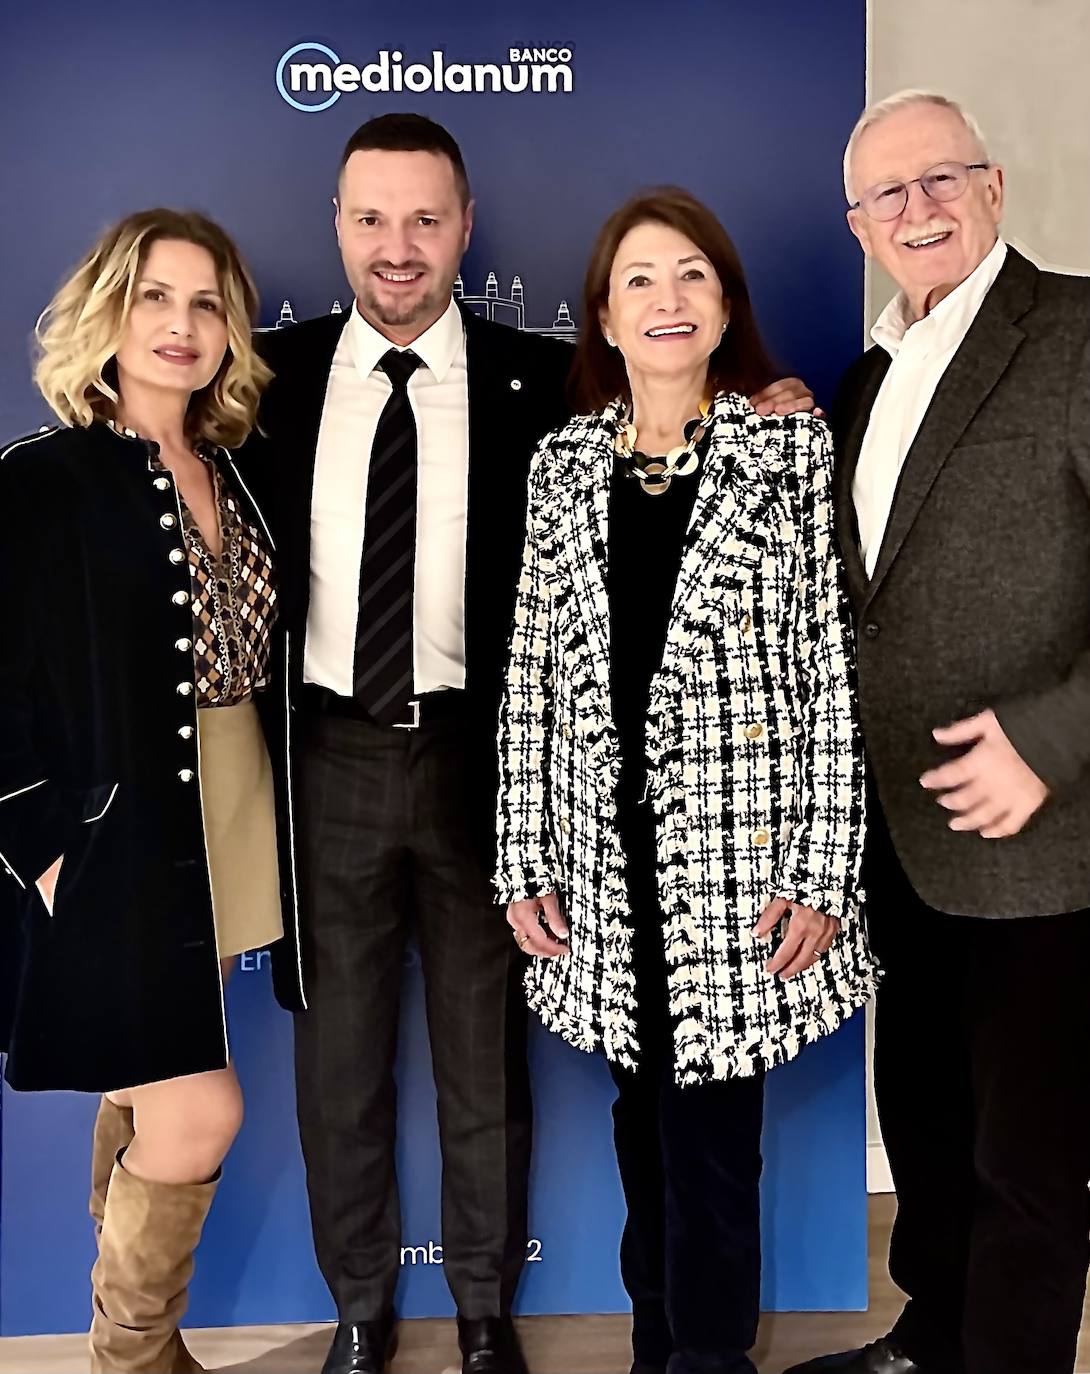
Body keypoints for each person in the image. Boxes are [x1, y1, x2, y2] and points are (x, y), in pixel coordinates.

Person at [241, 113, 820, 1374]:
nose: (399, 247)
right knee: (336, 1061)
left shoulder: (538, 380)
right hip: (329, 755)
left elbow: (676, 439)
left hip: (480, 762)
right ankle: (358, 1307)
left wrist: (763, 397)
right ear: (338, 224)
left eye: (426, 218)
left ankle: (488, 1310)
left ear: (464, 226)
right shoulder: (265, 380)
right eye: (372, 218)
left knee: (483, 1055)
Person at [497, 187, 877, 1374]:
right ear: (604, 317)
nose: (668, 301)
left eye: (692, 277)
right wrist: (523, 855)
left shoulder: (788, 449)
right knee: (635, 1128)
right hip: (604, 874)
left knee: (713, 1144)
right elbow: (529, 677)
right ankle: (656, 1346)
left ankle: (707, 1362)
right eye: (641, 282)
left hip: (742, 870)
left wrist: (820, 869)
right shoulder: (559, 466)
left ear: (724, 308)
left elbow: (831, 667)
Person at [786, 90, 1090, 1374]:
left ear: (994, 187)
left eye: (939, 181)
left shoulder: (1075, 332)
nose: (916, 211)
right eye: (885, 196)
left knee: (1028, 1157)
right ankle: (933, 1336)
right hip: (894, 837)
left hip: (1043, 838)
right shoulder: (867, 376)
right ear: (856, 224)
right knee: (923, 1114)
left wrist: (1052, 740)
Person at [0, 208, 298, 1374]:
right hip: (118, 829)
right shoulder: (47, 476)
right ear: (107, 314)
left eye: (206, 302)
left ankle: (135, 1351)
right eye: (153, 298)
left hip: (228, 815)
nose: (180, 326)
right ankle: (130, 1359)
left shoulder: (239, 463)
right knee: (198, 1110)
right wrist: (44, 845)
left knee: (144, 1087)